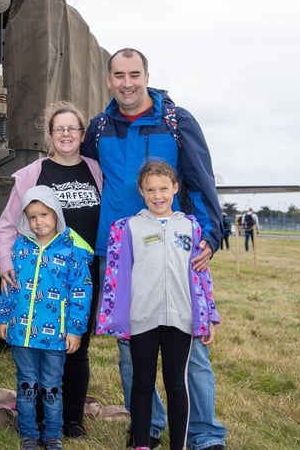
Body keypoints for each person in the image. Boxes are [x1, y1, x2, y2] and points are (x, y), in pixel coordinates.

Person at [81, 47, 226, 450]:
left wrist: (210, 237)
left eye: (134, 74)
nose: (127, 83)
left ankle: (204, 434)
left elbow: (201, 180)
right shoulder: (98, 128)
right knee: (131, 353)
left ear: (146, 76)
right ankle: (148, 427)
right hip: (119, 256)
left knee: (190, 352)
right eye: (118, 75)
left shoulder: (177, 122)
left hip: (173, 252)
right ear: (108, 80)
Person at [0, 101, 103, 438]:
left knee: (76, 344)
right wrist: (5, 264)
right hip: (39, 275)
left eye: (73, 128)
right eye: (60, 129)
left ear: (82, 134)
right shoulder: (32, 174)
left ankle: (71, 418)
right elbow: (7, 225)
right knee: (40, 346)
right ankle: (38, 417)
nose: (66, 134)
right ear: (50, 136)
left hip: (82, 273)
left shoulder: (97, 171)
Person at [97, 161, 219, 450]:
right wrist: (115, 318)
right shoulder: (127, 228)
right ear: (141, 191)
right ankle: (141, 443)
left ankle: (179, 444)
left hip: (181, 318)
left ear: (175, 188)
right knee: (142, 381)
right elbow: (115, 277)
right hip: (142, 318)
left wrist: (209, 315)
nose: (158, 195)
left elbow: (202, 276)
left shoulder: (190, 226)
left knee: (177, 383)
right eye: (150, 189)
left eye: (164, 188)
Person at [0, 185, 94, 450]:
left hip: (56, 336)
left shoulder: (71, 251)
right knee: (26, 385)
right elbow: (9, 285)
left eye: (44, 215)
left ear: (57, 215)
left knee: (51, 387)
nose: (39, 222)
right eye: (32, 216)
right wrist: (3, 317)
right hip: (21, 334)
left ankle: (52, 434)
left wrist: (75, 330)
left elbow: (81, 293)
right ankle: (28, 433)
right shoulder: (19, 248)